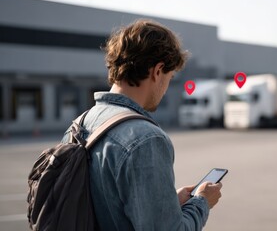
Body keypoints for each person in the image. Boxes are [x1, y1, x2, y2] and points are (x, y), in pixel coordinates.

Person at [61, 19, 223, 230]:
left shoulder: (78, 125)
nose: (166, 88)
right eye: (169, 77)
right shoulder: (146, 139)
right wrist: (201, 202)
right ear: (158, 71)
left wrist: (168, 203)